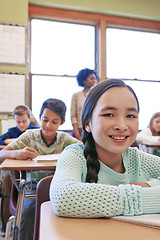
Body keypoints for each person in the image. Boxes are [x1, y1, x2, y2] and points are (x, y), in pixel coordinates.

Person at [50, 79, 160, 219]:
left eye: (130, 116)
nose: (121, 126)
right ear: (88, 124)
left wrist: (147, 185)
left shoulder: (136, 158)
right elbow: (63, 197)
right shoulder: (75, 155)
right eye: (108, 114)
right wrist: (139, 194)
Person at [0, 98, 79, 240]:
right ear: (40, 117)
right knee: (29, 210)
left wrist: (71, 152)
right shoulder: (30, 136)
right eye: (45, 119)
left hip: (61, 187)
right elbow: (2, 153)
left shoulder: (65, 139)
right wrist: (17, 153)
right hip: (33, 188)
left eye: (54, 122)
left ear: (62, 122)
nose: (48, 125)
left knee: (72, 211)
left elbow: (85, 149)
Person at [0, 105, 39, 235]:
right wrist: (16, 141)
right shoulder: (13, 131)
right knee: (6, 181)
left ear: (29, 118)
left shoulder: (36, 131)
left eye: (24, 121)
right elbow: (1, 139)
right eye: (18, 122)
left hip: (32, 173)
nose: (21, 125)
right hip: (14, 170)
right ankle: (5, 226)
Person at [70, 68, 97, 141]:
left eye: (95, 79)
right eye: (91, 79)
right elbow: (73, 116)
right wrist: (77, 134)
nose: (94, 81)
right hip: (79, 130)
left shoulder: (96, 95)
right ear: (84, 80)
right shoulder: (76, 95)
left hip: (93, 130)